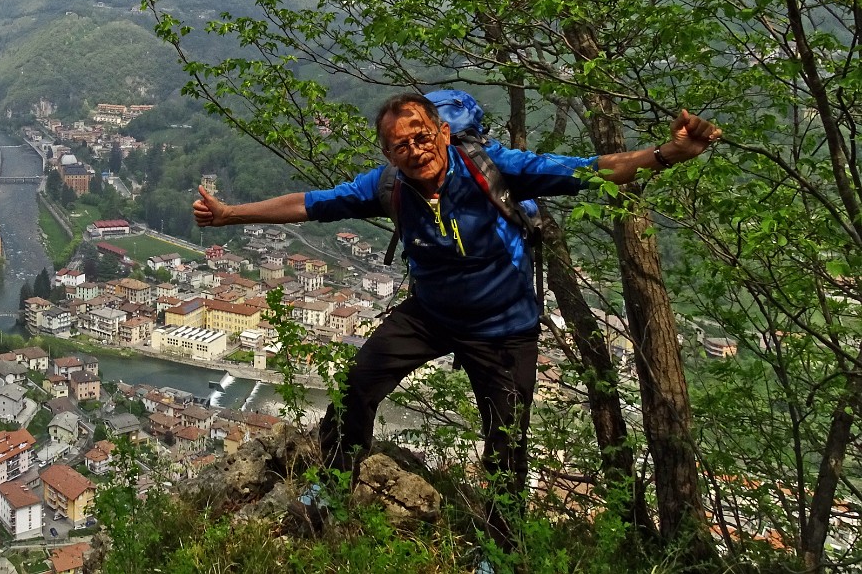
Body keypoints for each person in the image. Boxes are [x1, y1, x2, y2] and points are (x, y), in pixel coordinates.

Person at [192, 92, 720, 549]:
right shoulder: (386, 186)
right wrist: (230, 214)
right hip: (432, 314)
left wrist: (665, 155)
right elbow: (308, 204)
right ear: (388, 154)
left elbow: (587, 168)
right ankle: (329, 491)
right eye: (400, 144)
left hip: (504, 327)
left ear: (443, 133)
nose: (414, 149)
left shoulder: (493, 168)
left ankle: (501, 548)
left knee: (506, 442)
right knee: (356, 388)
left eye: (422, 136)